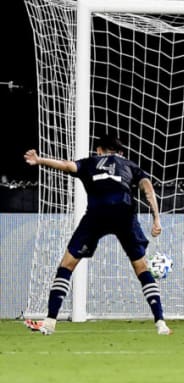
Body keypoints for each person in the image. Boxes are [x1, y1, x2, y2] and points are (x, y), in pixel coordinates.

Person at [22, 134, 171, 335]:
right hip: (124, 214)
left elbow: (66, 166)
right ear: (121, 152)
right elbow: (148, 188)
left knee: (67, 265)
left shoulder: (90, 162)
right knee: (141, 267)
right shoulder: (130, 165)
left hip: (97, 214)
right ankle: (160, 323)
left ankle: (50, 322)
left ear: (99, 150)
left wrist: (40, 160)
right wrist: (156, 218)